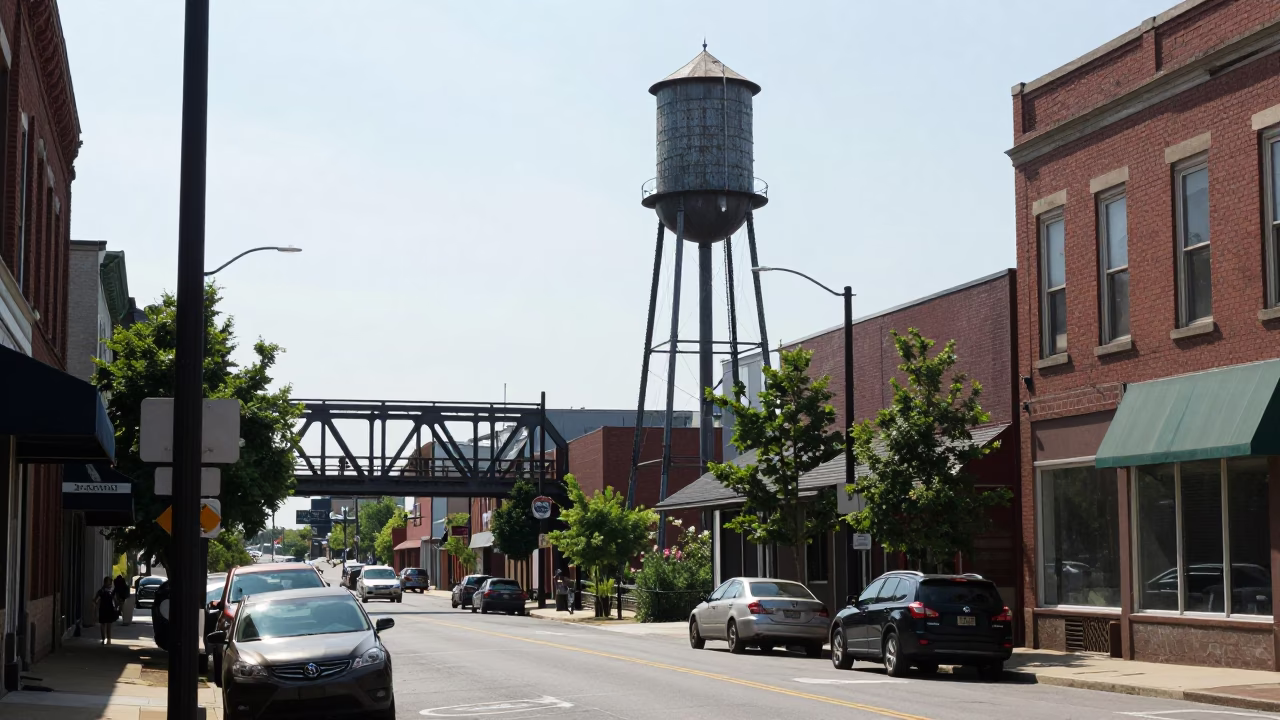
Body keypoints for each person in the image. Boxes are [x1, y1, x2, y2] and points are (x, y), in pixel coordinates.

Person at [94, 577, 117, 644]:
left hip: (104, 608)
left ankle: (104, 639)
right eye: (109, 582)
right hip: (108, 609)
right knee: (107, 624)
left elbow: (96, 600)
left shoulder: (101, 591)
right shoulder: (110, 591)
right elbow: (115, 600)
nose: (110, 584)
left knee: (104, 624)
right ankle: (107, 639)